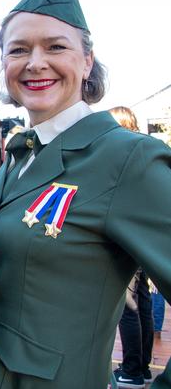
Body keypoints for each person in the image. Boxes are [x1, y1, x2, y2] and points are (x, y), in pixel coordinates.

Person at [0, 0, 171, 388]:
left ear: (87, 60)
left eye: (55, 46)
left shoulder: (128, 159)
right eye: (18, 50)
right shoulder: (20, 156)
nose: (36, 63)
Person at [109, 106, 154, 388]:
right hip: (144, 240)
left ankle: (132, 370)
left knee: (128, 307)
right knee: (143, 302)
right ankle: (144, 366)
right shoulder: (145, 152)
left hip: (127, 241)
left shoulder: (122, 155)